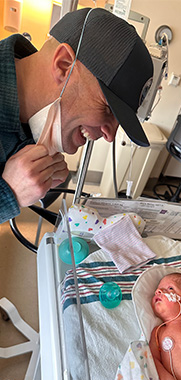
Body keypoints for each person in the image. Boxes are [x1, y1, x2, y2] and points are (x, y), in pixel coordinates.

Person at [0, 8, 153, 223]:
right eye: (108, 108)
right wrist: (9, 194)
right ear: (64, 65)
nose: (109, 136)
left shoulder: (32, 120)